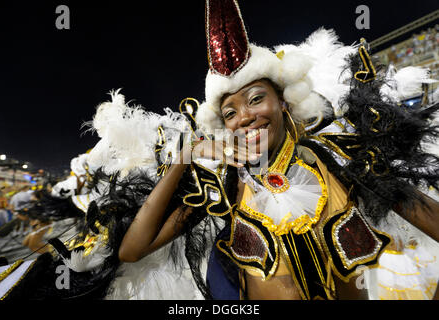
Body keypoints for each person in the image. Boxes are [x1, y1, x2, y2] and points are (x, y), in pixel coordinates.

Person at [119, 0, 439, 300]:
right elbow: (133, 249)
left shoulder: (339, 159)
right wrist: (186, 155)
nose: (245, 116)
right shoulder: (222, 186)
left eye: (256, 98)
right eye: (230, 112)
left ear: (283, 99)